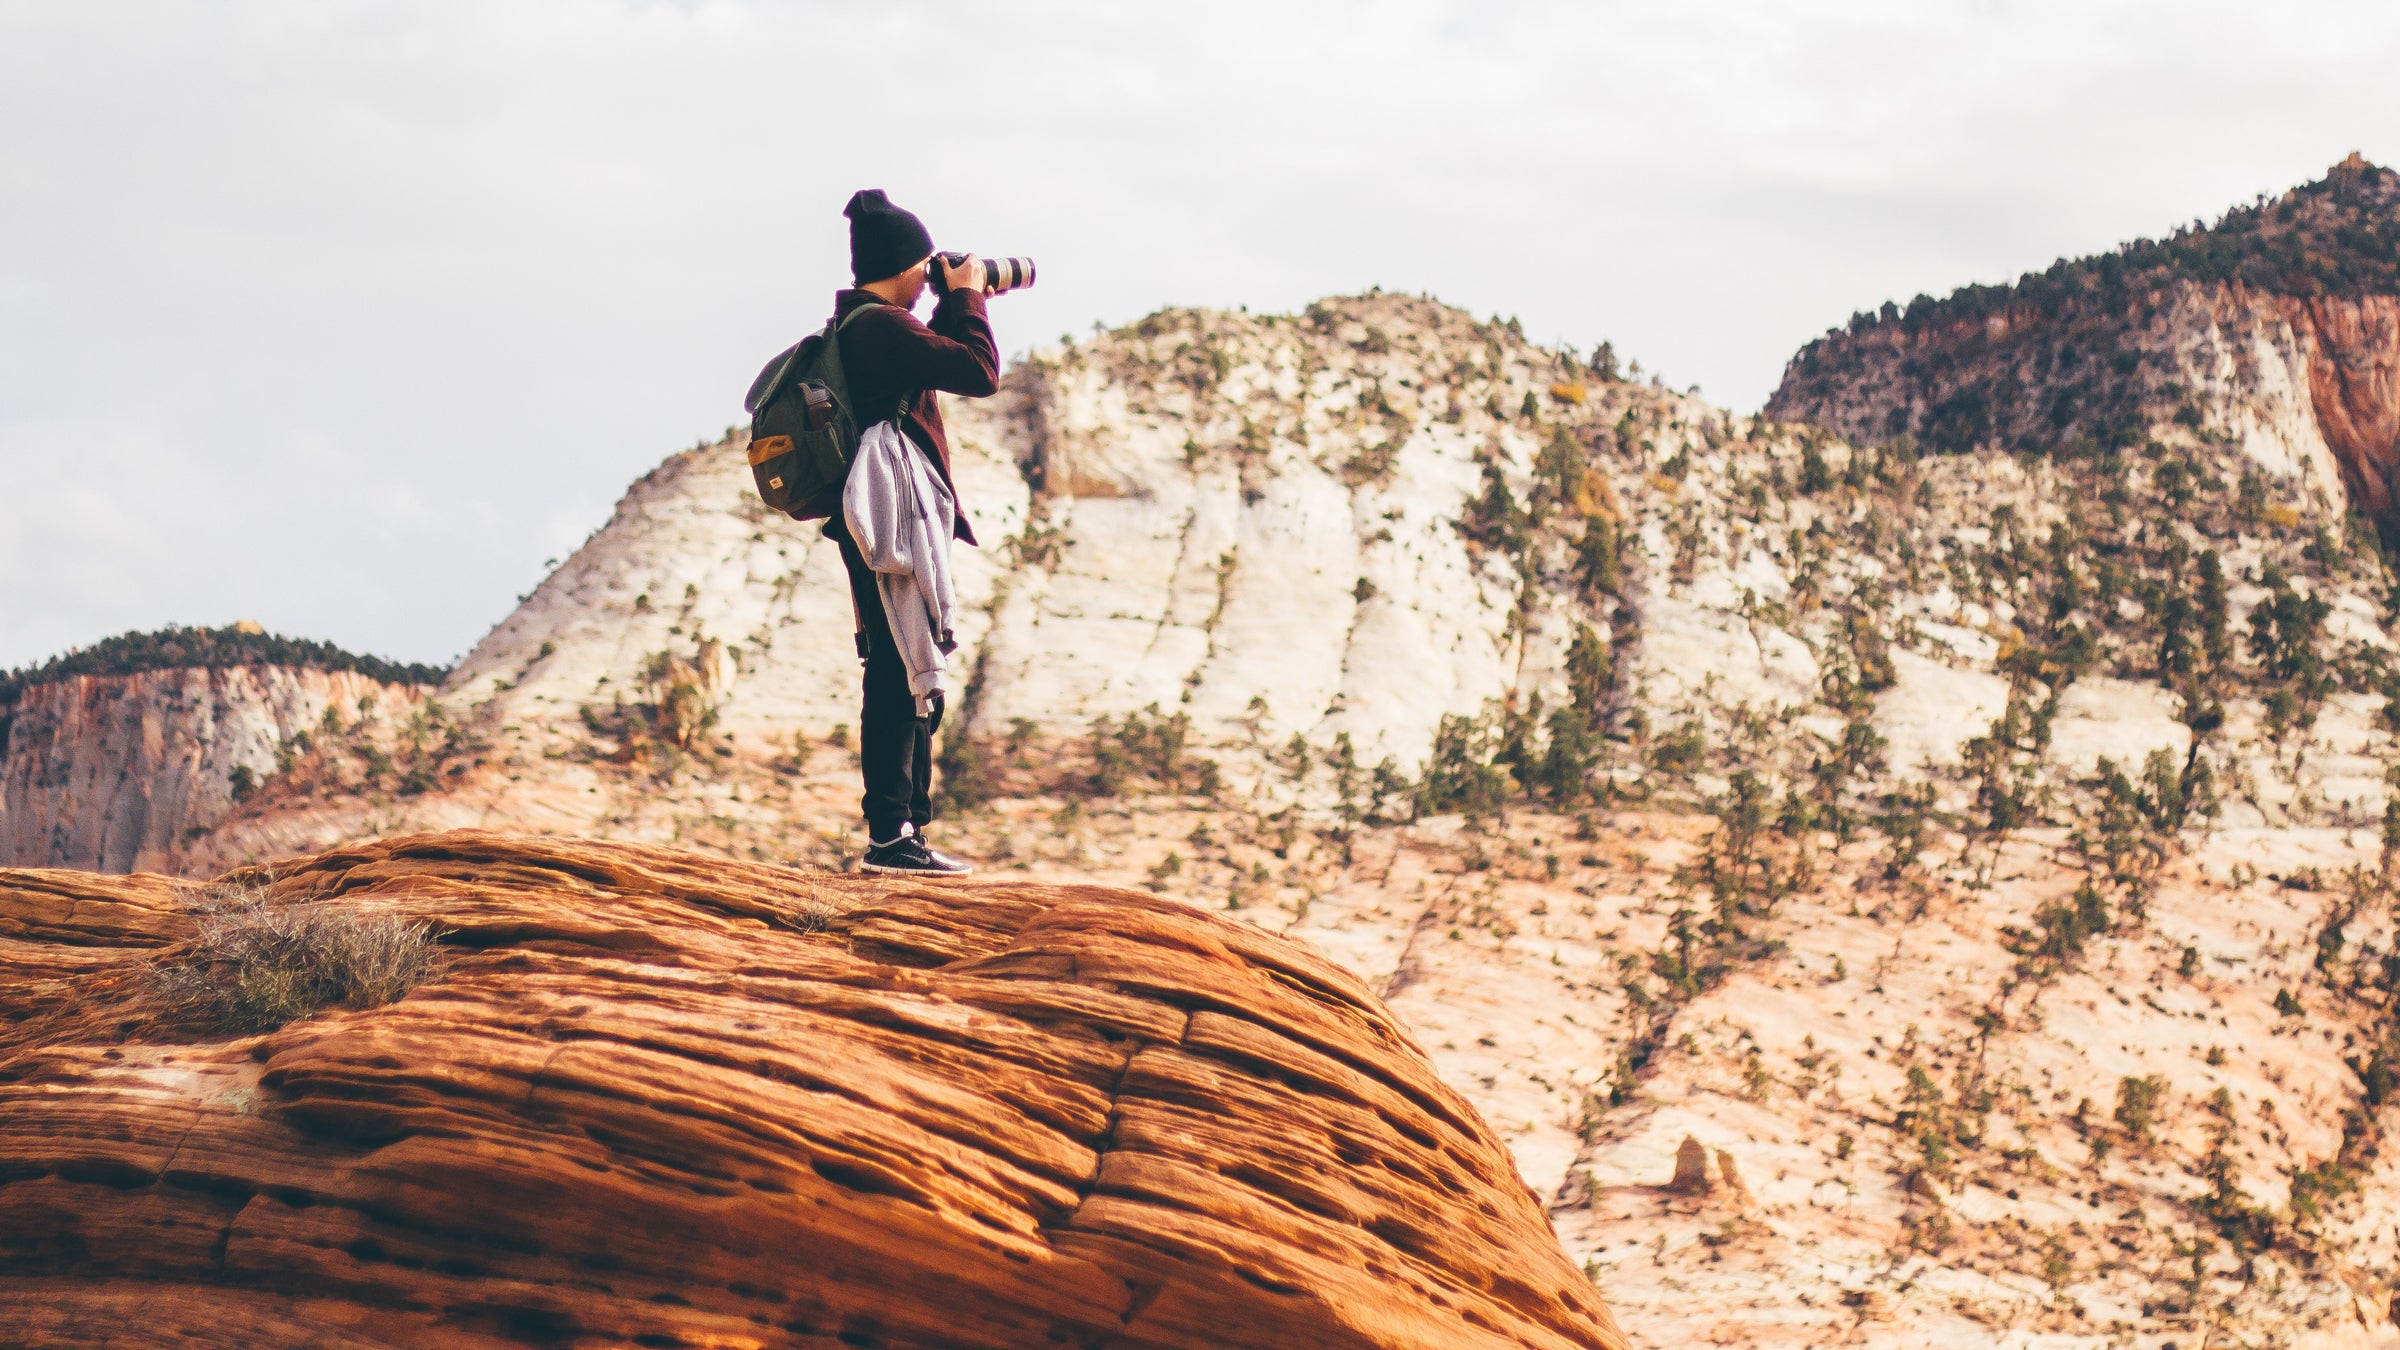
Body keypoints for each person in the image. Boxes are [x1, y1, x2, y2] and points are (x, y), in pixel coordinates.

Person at [797, 189, 997, 875]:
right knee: (895, 667)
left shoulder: (867, 327)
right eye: (923, 266)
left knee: (906, 663)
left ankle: (907, 829)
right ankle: (891, 835)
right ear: (902, 265)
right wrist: (969, 295)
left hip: (879, 510)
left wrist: (952, 299)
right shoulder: (879, 327)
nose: (929, 275)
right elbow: (977, 371)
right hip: (887, 509)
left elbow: (936, 357)